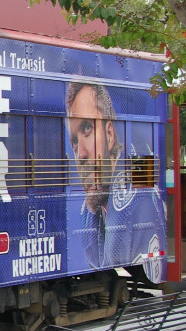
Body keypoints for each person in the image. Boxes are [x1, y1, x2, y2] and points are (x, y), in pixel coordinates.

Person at [66, 80, 165, 281]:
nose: (81, 154)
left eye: (87, 128)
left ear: (110, 134)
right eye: (74, 142)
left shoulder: (139, 204)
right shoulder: (92, 213)